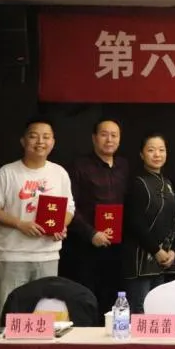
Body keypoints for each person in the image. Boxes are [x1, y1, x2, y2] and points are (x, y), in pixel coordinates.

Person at [0, 115, 75, 307]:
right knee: (13, 311)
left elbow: (69, 208)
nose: (40, 141)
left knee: (45, 310)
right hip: (14, 255)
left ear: (53, 142)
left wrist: (60, 225)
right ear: (23, 141)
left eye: (46, 137)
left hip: (48, 254)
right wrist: (20, 224)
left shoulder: (59, 173)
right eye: (33, 136)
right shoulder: (7, 172)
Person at [61, 118, 130, 319]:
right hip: (85, 245)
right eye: (104, 134)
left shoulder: (124, 166)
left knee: (113, 298)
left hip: (117, 247)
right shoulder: (79, 166)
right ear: (94, 138)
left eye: (114, 135)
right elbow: (70, 206)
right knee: (87, 299)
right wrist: (91, 233)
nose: (109, 139)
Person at [122, 133, 175, 313]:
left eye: (161, 150)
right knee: (140, 310)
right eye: (151, 150)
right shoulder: (138, 183)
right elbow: (134, 222)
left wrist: (171, 250)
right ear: (141, 154)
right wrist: (156, 250)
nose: (157, 154)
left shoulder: (167, 183)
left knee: (157, 311)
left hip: (162, 260)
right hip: (140, 260)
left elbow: (172, 220)